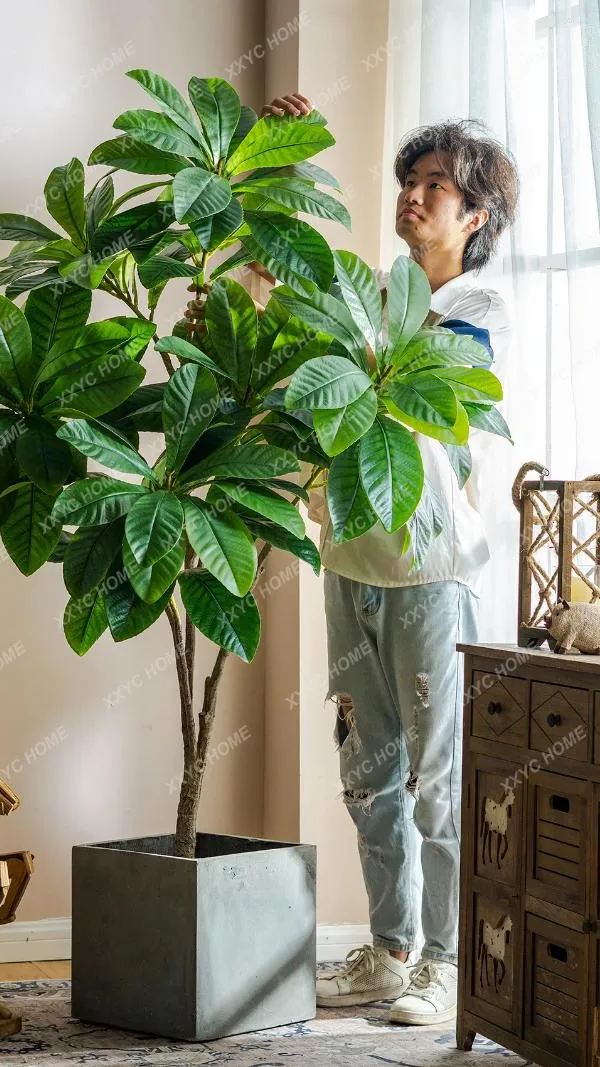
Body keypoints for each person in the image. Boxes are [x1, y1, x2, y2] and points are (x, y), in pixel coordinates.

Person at [259, 93, 519, 1025]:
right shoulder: (369, 292)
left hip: (431, 582)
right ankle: (390, 947)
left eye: (436, 187)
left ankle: (446, 964)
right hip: (351, 567)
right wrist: (286, 167)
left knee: (438, 782)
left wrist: (335, 325)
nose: (413, 196)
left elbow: (407, 394)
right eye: (409, 182)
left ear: (474, 215)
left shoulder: (480, 307)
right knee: (368, 772)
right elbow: (299, 316)